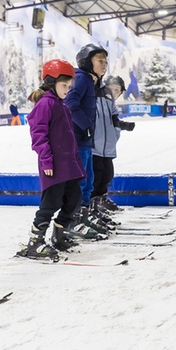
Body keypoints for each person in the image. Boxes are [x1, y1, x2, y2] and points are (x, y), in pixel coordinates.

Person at [18, 59, 96, 261]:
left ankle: (59, 235)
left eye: (70, 86)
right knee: (50, 203)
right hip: (53, 165)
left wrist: (77, 164)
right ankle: (35, 242)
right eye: (64, 85)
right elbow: (38, 136)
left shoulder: (61, 106)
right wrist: (46, 161)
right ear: (51, 82)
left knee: (73, 199)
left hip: (68, 165)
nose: (68, 90)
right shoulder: (45, 105)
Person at [65, 43, 112, 234]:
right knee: (81, 181)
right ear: (87, 62)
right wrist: (85, 126)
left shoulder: (91, 81)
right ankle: (72, 221)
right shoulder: (81, 79)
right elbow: (70, 103)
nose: (104, 64)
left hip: (85, 139)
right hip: (77, 139)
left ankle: (83, 216)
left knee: (89, 179)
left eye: (105, 61)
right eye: (99, 60)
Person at [91, 75, 134, 213]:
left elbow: (111, 120)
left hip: (107, 147)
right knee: (95, 179)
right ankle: (92, 207)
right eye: (113, 89)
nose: (115, 92)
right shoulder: (95, 97)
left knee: (107, 176)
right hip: (94, 147)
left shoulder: (109, 102)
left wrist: (120, 127)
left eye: (118, 90)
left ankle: (100, 202)